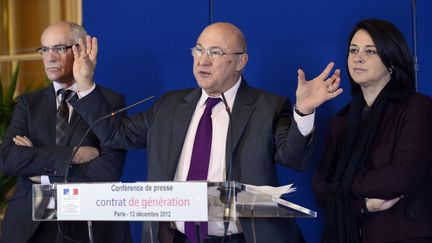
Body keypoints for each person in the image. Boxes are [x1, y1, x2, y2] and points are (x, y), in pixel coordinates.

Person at [71, 22, 342, 243]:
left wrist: (304, 112)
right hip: (176, 237)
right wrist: (84, 84)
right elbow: (117, 134)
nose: (203, 60)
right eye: (198, 50)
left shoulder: (267, 107)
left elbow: (294, 159)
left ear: (240, 61)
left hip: (241, 238)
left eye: (215, 53)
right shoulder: (169, 106)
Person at [0, 22, 132, 243]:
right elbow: (8, 159)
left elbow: (108, 170)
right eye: (44, 49)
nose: (50, 57)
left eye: (59, 48)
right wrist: (73, 154)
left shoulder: (110, 102)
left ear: (80, 49)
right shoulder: (27, 104)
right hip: (30, 226)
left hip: (87, 224)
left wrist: (40, 172)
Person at [312, 19, 432, 243]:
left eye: (370, 52)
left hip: (404, 235)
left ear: (391, 62)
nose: (358, 58)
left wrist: (342, 184)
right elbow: (320, 186)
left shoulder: (418, 107)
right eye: (353, 50)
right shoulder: (342, 120)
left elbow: (400, 176)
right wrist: (363, 206)